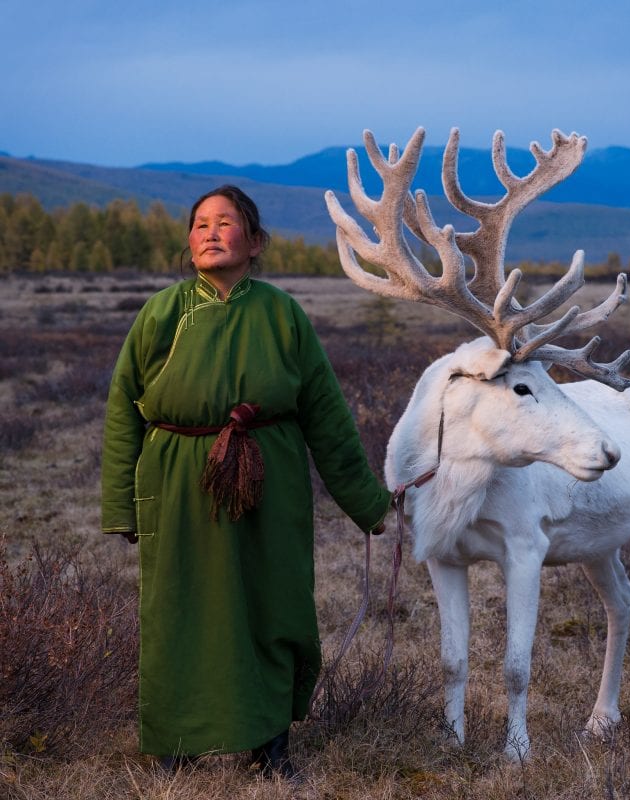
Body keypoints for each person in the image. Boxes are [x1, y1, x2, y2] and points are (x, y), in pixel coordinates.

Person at [101, 185, 391, 779]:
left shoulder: (283, 314)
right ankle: (174, 744)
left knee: (273, 604)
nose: (210, 232)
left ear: (254, 242)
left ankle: (269, 746)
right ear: (188, 242)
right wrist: (123, 507)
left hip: (270, 480)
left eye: (225, 222)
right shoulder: (161, 313)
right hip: (179, 480)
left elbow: (328, 417)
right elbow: (123, 410)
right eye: (200, 223)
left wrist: (369, 502)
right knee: (179, 609)